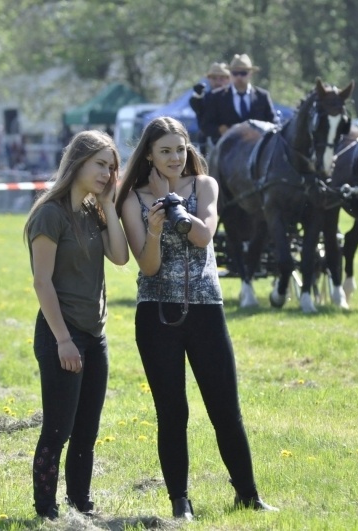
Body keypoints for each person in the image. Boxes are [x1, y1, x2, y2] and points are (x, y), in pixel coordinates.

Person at [115, 117, 277, 521]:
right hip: (157, 315)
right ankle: (180, 502)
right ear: (149, 154)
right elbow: (148, 267)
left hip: (206, 310)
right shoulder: (131, 200)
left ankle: (248, 495)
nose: (174, 157)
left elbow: (204, 237)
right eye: (165, 150)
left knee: (225, 408)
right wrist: (153, 229)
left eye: (180, 149)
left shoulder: (205, 186)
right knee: (173, 413)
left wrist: (173, 205)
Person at [23, 130, 129, 520]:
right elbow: (41, 281)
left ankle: (81, 505)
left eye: (112, 167)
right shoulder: (49, 214)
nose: (107, 173)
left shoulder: (94, 211)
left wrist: (108, 204)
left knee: (87, 430)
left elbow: (120, 257)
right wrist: (63, 341)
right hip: (60, 335)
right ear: (78, 162)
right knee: (58, 428)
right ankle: (46, 511)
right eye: (100, 164)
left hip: (94, 335)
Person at [201, 54, 277, 146]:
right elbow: (206, 126)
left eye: (243, 73)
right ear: (230, 74)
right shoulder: (216, 97)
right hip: (226, 153)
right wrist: (220, 129)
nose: (239, 77)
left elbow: (274, 124)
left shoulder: (262, 96)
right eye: (235, 73)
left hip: (257, 152)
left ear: (250, 74)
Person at [189, 62, 231, 153]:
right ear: (209, 79)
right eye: (214, 78)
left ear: (229, 79)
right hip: (208, 144)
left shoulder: (234, 98)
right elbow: (196, 106)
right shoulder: (205, 98)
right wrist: (197, 95)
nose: (218, 81)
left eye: (222, 78)